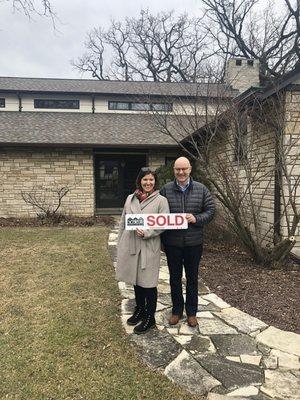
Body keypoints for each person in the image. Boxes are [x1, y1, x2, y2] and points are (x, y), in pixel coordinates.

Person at [160, 157, 215, 327]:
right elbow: (158, 213)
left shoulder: (201, 189)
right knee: (174, 278)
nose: (181, 172)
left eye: (184, 169)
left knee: (192, 278)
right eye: (178, 169)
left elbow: (211, 210)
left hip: (193, 243)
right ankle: (177, 311)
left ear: (190, 169)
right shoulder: (166, 190)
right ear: (174, 171)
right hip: (173, 243)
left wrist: (196, 218)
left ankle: (191, 313)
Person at [116, 167, 169, 334]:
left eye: (151, 180)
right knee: (136, 280)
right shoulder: (130, 198)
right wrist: (120, 243)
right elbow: (123, 221)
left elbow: (164, 223)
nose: (148, 183)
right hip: (131, 244)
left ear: (155, 182)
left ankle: (150, 317)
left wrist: (148, 232)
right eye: (145, 179)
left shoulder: (161, 200)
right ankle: (139, 309)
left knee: (148, 283)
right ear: (140, 180)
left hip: (148, 246)